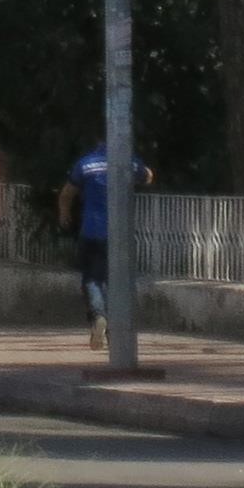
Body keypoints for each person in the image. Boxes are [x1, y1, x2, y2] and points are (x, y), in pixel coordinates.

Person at [59, 144, 150, 352]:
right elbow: (147, 177)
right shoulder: (128, 161)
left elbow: (66, 193)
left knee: (91, 278)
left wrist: (64, 213)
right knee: (115, 281)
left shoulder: (86, 164)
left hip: (91, 231)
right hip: (119, 235)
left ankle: (99, 316)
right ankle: (114, 330)